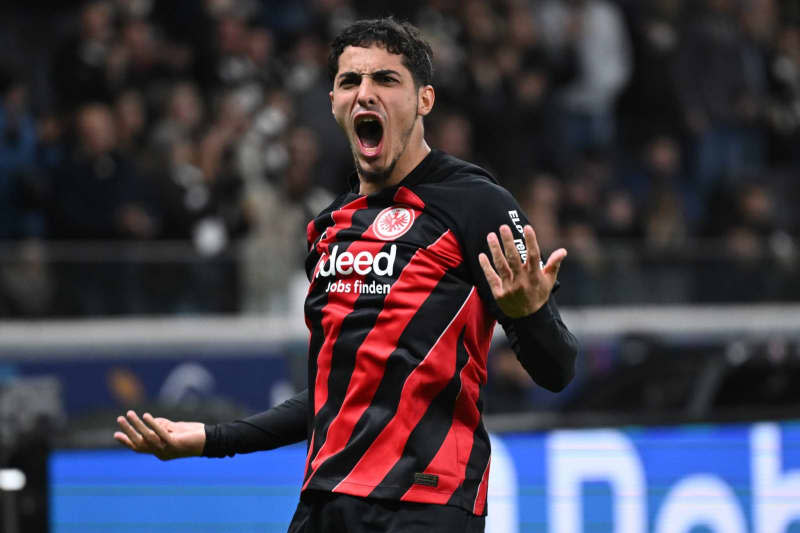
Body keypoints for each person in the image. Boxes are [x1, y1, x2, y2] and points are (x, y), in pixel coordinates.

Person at [114, 18, 578, 532]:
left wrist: (530, 314)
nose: (365, 94)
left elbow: (557, 371)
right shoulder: (328, 229)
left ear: (425, 99)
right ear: (334, 100)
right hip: (326, 501)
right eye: (350, 81)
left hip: (426, 504)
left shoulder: (479, 205)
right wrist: (210, 439)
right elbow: (326, 395)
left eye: (385, 79)